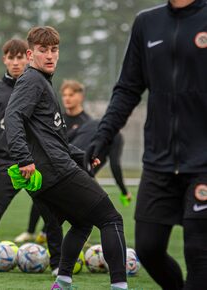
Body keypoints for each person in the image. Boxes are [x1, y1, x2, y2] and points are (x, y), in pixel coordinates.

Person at [85, 1, 207, 289]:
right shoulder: (147, 23)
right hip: (159, 159)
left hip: (204, 161)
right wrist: (102, 137)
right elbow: (128, 88)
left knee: (199, 252)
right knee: (148, 248)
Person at [5, 26, 128, 290]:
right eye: (42, 50)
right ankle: (120, 286)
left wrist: (83, 156)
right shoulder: (32, 80)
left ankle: (62, 282)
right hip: (55, 171)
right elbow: (12, 118)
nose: (49, 55)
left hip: (48, 173)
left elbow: (53, 139)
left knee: (82, 223)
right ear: (30, 54)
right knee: (111, 219)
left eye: (54, 50)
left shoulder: (41, 83)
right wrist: (23, 158)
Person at [0, 38, 63, 278]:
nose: (16, 62)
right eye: (11, 57)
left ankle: (59, 264)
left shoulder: (36, 84)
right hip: (6, 165)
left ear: (27, 58)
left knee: (50, 214)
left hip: (34, 163)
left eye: (20, 57)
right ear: (5, 59)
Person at [15, 79, 132, 244]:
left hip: (75, 171)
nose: (67, 98)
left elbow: (74, 148)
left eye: (71, 94)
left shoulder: (89, 123)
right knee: (47, 198)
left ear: (80, 96)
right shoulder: (57, 118)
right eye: (64, 95)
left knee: (60, 204)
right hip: (60, 166)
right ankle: (35, 232)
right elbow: (60, 143)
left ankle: (50, 235)